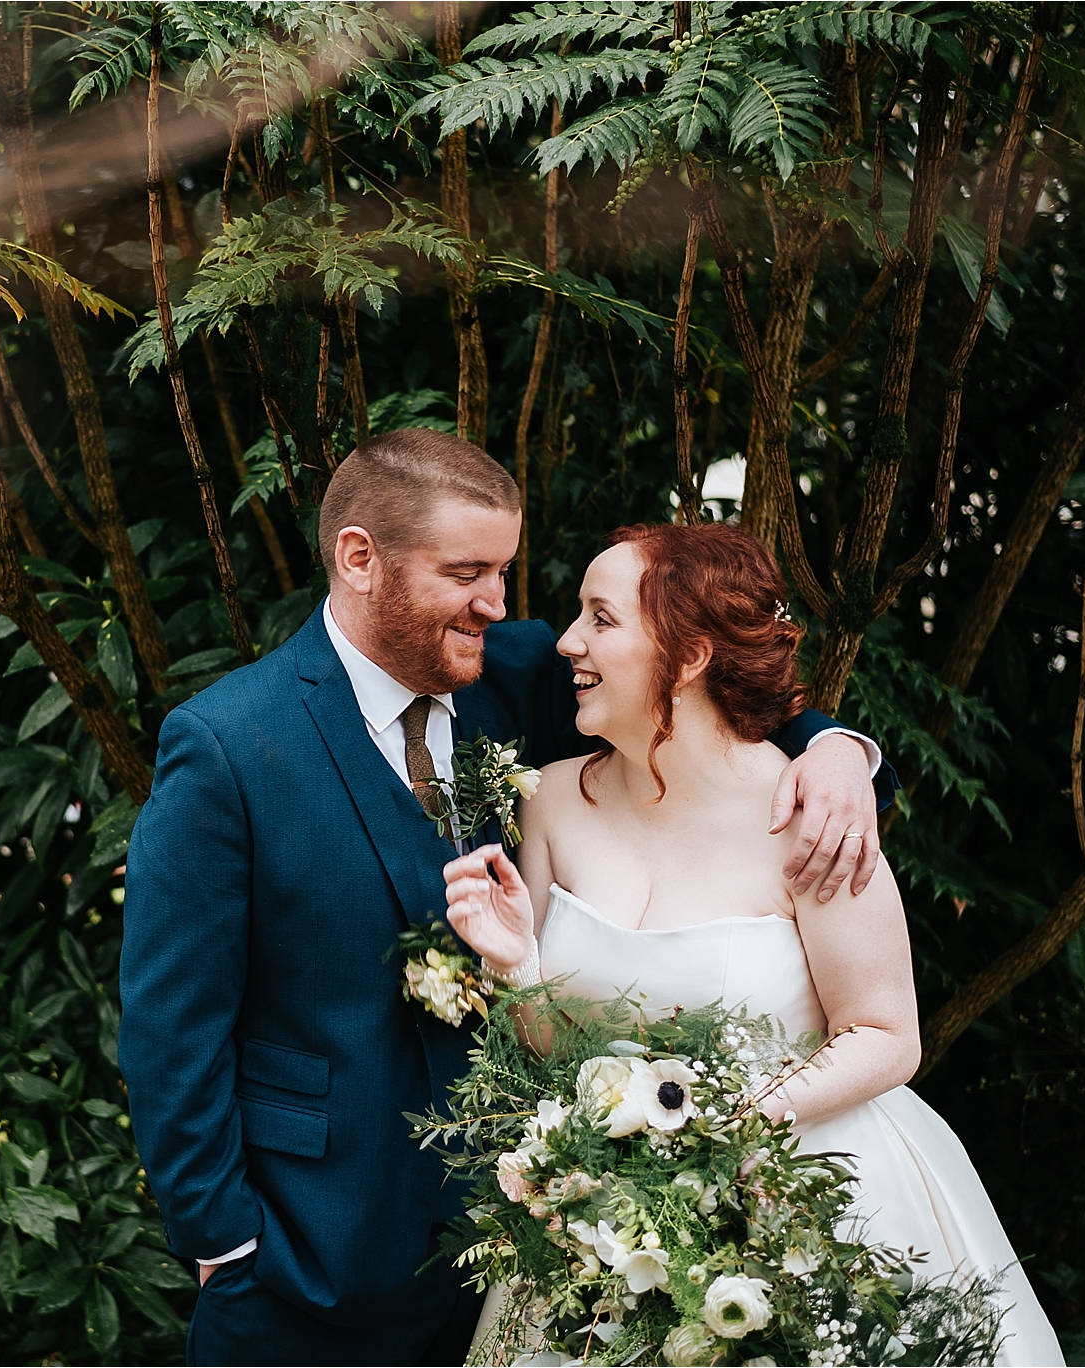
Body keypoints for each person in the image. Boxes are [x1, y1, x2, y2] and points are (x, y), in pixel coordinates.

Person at [118, 430, 896, 1365]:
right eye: (467, 572)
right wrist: (224, 1243)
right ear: (360, 557)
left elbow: (704, 690)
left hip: (535, 1254)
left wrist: (840, 751)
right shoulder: (226, 746)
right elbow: (172, 1024)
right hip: (309, 1261)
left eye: (504, 570)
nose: (497, 603)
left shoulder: (513, 675)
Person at [441, 521, 1063, 1366]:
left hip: (804, 1197)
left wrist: (716, 1132)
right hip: (609, 1216)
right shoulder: (547, 801)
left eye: (601, 617)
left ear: (690, 656)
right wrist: (513, 964)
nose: (567, 641)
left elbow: (886, 1035)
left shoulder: (814, 820)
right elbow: (548, 1048)